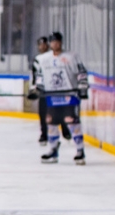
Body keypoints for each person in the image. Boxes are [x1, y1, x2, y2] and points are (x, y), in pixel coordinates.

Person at [32, 32, 89, 165]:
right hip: (52, 96)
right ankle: (53, 150)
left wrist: (82, 87)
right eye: (52, 42)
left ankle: (80, 150)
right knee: (50, 121)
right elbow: (40, 76)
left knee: (71, 121)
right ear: (50, 43)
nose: (55, 44)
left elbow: (81, 72)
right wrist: (37, 89)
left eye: (57, 41)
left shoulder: (72, 56)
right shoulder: (43, 59)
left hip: (69, 95)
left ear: (61, 42)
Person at [29, 37, 71, 145]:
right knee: (43, 114)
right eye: (40, 45)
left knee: (60, 111)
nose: (42, 47)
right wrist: (33, 88)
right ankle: (44, 134)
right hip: (44, 91)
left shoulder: (53, 58)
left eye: (44, 44)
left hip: (56, 89)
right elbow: (34, 75)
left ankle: (65, 130)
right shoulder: (38, 59)